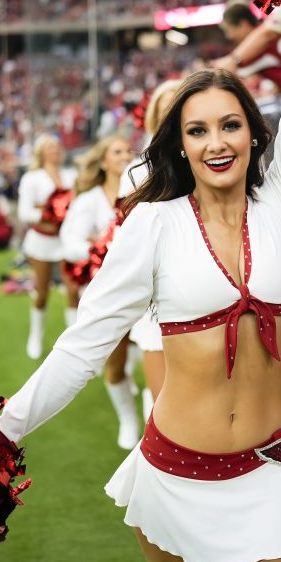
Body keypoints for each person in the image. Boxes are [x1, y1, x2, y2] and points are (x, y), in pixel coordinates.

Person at [0, 0, 281, 562]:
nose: (217, 143)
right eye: (198, 130)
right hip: (176, 472)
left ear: (254, 134)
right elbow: (85, 343)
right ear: (179, 146)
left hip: (273, 471)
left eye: (231, 125)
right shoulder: (153, 224)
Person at [59, 134, 138, 449]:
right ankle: (128, 420)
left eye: (128, 150)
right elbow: (71, 243)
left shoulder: (144, 192)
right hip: (110, 291)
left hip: (149, 289)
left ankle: (150, 405)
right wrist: (99, 247)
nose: (124, 155)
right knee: (115, 363)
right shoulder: (89, 199)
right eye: (117, 151)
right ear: (104, 161)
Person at [119, 79, 179, 420]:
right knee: (164, 399)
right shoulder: (137, 169)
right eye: (165, 105)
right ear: (154, 115)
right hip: (155, 281)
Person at [16, 134, 77, 360]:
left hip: (65, 242)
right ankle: (36, 337)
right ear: (41, 152)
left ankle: (75, 345)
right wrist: (49, 214)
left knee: (73, 290)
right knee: (42, 293)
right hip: (40, 243)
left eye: (57, 146)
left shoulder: (72, 175)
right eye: (50, 147)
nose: (55, 150)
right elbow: (24, 212)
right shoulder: (32, 178)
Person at [215, 0, 281, 93]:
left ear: (243, 24)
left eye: (229, 30)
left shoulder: (260, 44)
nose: (229, 36)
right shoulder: (267, 31)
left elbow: (228, 67)